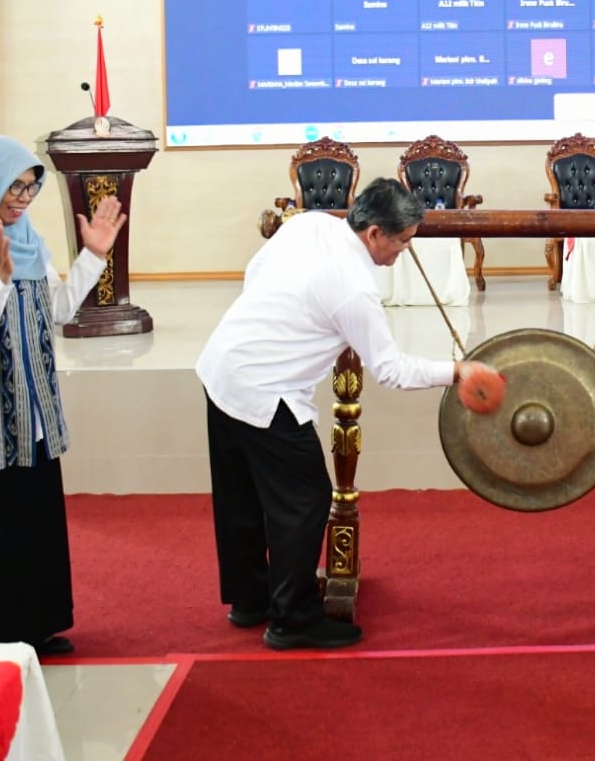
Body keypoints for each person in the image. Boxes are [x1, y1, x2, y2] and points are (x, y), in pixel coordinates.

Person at [197, 179, 501, 650]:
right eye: (402, 241)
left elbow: (255, 270)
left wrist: (282, 321)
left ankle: (250, 599)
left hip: (221, 365)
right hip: (266, 391)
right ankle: (291, 619)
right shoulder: (354, 288)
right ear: (375, 232)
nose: (404, 250)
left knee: (242, 493)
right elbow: (391, 369)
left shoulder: (312, 224)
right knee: (307, 500)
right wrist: (457, 370)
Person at [0, 136, 126, 654]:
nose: (21, 199)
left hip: (28, 414)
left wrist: (94, 256)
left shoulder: (28, 239)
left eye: (29, 189)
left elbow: (56, 310)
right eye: (13, 187)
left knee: (31, 524)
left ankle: (34, 627)